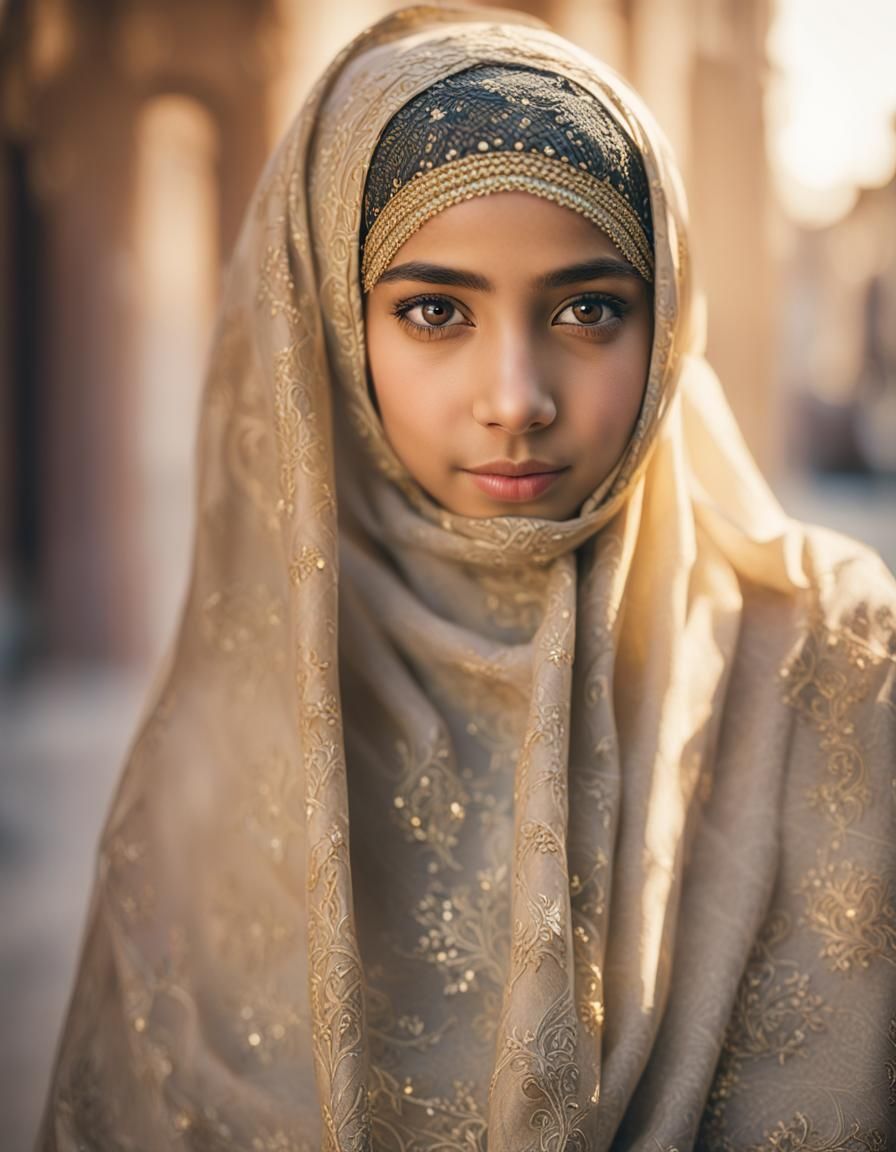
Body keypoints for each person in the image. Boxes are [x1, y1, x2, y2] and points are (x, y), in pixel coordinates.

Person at [40, 5, 896, 1150]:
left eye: (589, 310)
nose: (514, 397)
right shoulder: (221, 750)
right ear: (334, 332)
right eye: (434, 312)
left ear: (667, 320)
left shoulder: (832, 659)